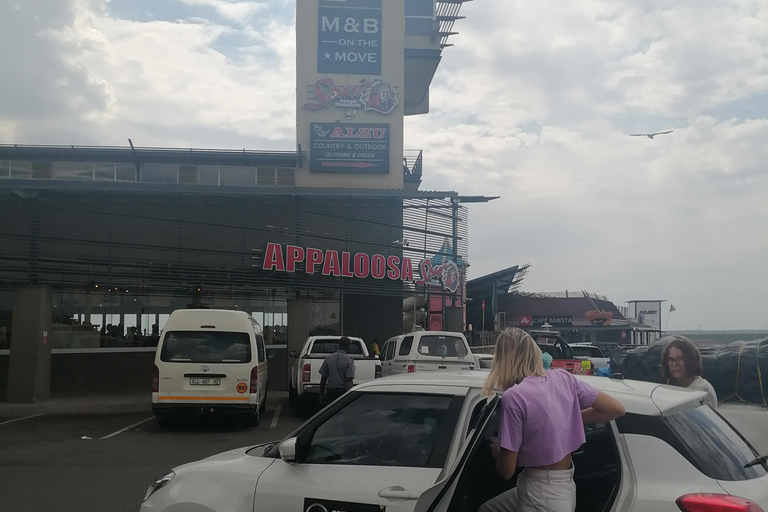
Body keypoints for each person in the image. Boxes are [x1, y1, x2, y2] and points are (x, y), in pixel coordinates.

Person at [480, 328, 625, 512]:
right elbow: (616, 408)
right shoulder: (563, 377)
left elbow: (506, 472)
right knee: (488, 509)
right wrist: (566, 420)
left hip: (540, 491)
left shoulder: (514, 397)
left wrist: (499, 454)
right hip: (561, 486)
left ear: (503, 360)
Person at [660, 335, 718, 409]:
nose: (674, 364)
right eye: (671, 359)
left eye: (680, 359)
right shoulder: (675, 386)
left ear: (690, 361)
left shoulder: (701, 389)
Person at [318, 336, 356, 406]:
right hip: (342, 392)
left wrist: (321, 393)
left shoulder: (328, 358)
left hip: (330, 392)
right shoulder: (349, 360)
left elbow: (323, 378)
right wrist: (350, 396)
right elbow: (348, 380)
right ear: (348, 346)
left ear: (339, 345)